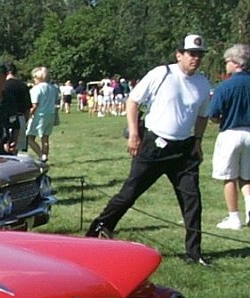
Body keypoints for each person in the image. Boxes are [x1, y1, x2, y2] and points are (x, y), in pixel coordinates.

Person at [86, 35, 212, 266]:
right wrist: (134, 134)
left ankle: (194, 253)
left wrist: (198, 141)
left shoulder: (203, 83)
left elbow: (203, 115)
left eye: (199, 55)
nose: (196, 59)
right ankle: (98, 231)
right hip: (154, 145)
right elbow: (133, 101)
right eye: (191, 54)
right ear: (179, 55)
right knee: (130, 193)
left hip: (183, 149)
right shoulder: (161, 74)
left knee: (192, 200)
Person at [208, 43, 250, 230]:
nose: (226, 65)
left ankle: (234, 217)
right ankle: (249, 208)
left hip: (231, 132)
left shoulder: (225, 86)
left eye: (227, 62)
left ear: (234, 62)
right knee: (246, 177)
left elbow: (214, 114)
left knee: (229, 177)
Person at [26, 66, 58, 162]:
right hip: (50, 114)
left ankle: (41, 155)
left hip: (39, 115)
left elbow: (34, 105)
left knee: (29, 138)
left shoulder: (36, 89)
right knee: (45, 138)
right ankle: (44, 156)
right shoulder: (53, 88)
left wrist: (28, 116)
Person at [3, 62, 30, 153]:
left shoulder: (3, 85)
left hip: (7, 119)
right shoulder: (23, 86)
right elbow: (28, 107)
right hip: (21, 117)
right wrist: (24, 121)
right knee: (15, 149)